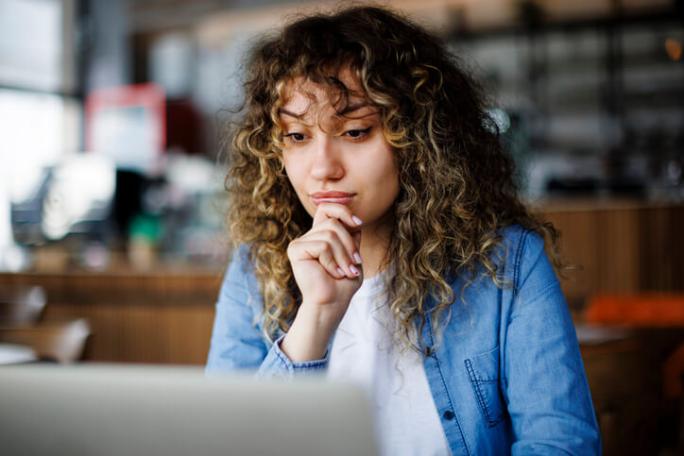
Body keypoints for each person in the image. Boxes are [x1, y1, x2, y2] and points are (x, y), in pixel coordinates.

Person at [207, 6, 600, 455]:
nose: (322, 169)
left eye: (355, 132)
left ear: (418, 140)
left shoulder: (508, 266)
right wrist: (314, 318)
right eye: (297, 136)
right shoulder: (255, 273)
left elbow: (563, 446)